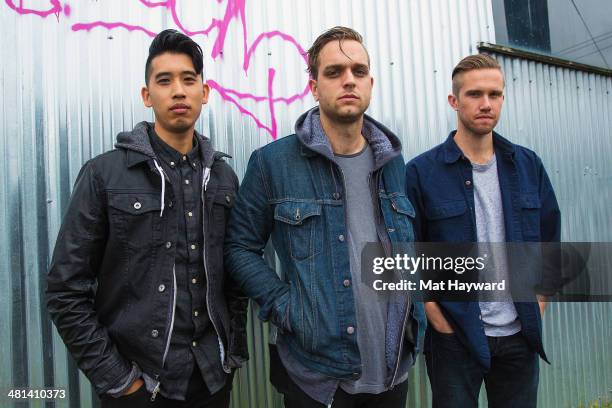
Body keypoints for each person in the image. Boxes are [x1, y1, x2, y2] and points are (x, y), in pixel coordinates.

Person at [46, 29, 248, 408]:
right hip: (140, 383)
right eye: (164, 80)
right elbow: (65, 289)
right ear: (146, 95)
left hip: (212, 380)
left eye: (189, 79)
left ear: (204, 93)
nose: (178, 91)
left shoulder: (223, 178)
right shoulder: (104, 175)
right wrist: (119, 380)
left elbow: (234, 280)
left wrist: (231, 354)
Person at [225, 26, 423, 408]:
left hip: (392, 370)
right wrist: (286, 307)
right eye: (333, 72)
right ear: (314, 86)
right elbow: (239, 247)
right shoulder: (272, 164)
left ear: (370, 82)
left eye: (358, 71)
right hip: (317, 379)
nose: (348, 80)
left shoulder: (394, 162)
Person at [405, 54, 561, 408]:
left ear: (503, 98)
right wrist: (433, 313)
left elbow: (550, 238)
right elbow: (409, 252)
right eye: (475, 94)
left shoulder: (527, 165)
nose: (486, 103)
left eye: (495, 94)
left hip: (520, 334)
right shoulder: (422, 172)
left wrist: (539, 301)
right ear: (454, 101)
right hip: (455, 336)